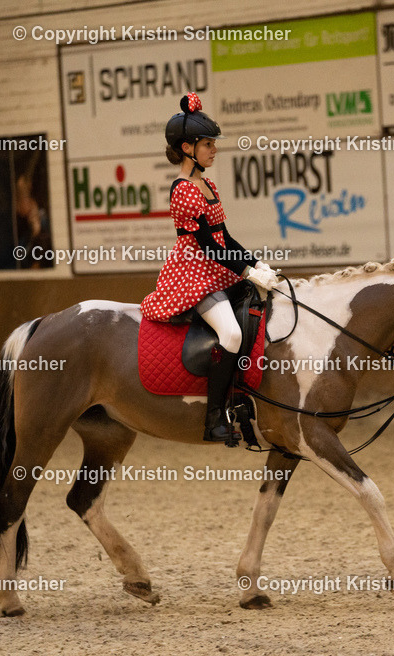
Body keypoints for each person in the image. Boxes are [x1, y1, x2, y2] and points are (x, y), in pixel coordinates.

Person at [141, 92, 279, 442]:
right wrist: (247, 272)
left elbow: (225, 239)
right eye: (207, 144)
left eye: (213, 143)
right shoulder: (184, 191)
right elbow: (206, 247)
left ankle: (243, 395)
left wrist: (256, 263)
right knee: (231, 334)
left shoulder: (208, 185)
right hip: (193, 273)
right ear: (188, 148)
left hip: (216, 266)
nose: (214, 150)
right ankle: (214, 418)